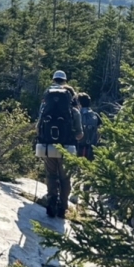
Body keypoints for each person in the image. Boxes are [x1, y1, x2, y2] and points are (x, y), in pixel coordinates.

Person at [35, 70, 83, 218]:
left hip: (49, 146)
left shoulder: (46, 106)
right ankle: (62, 207)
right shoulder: (74, 112)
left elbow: (38, 128)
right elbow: (80, 134)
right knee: (65, 178)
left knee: (51, 175)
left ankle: (51, 201)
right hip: (67, 148)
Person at [77, 92, 102, 160]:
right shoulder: (96, 115)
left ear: (79, 103)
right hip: (91, 149)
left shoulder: (77, 115)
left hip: (78, 148)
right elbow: (100, 131)